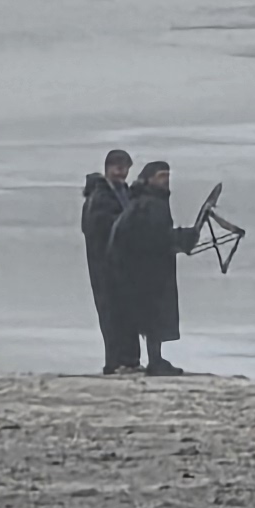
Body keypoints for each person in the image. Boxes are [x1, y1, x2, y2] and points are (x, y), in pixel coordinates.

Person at [108, 159, 200, 376]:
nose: (166, 180)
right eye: (161, 176)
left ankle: (155, 359)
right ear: (149, 179)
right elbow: (153, 236)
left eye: (168, 176)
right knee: (153, 316)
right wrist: (181, 238)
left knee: (153, 316)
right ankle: (155, 361)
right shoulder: (150, 203)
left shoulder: (148, 200)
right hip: (147, 270)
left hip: (147, 267)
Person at [78, 147, 138, 375]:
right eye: (118, 168)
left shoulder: (125, 192)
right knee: (112, 314)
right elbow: (95, 229)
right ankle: (115, 362)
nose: (122, 173)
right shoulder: (98, 197)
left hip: (125, 264)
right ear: (108, 169)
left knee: (128, 312)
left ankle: (130, 360)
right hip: (104, 264)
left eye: (125, 169)